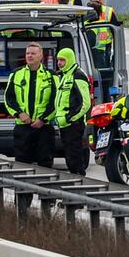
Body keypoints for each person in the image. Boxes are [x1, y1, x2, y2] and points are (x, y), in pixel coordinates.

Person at [4, 43, 57, 167]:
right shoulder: (16, 74)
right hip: (23, 127)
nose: (30, 56)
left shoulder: (51, 76)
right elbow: (8, 98)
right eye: (28, 53)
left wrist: (43, 119)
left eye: (33, 53)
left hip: (44, 127)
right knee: (22, 164)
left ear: (41, 56)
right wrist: (19, 114)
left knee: (45, 165)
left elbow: (56, 101)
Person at [53, 47, 91, 175]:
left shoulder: (77, 75)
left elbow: (85, 103)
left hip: (73, 124)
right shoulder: (64, 75)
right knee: (70, 157)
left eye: (62, 60)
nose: (59, 63)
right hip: (64, 124)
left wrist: (70, 117)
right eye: (58, 60)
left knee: (75, 157)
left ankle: (80, 182)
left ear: (69, 60)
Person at [88, 0, 122, 68]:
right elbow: (116, 30)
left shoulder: (84, 10)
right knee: (104, 71)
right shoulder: (108, 10)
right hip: (104, 46)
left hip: (87, 45)